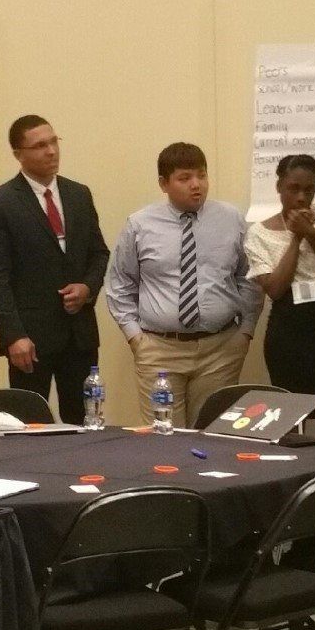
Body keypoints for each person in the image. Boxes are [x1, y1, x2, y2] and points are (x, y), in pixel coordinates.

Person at [106, 143, 262, 426]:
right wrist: (134, 336)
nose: (196, 185)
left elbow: (248, 277)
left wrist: (246, 331)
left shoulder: (231, 219)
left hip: (220, 349)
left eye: (202, 176)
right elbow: (120, 283)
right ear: (164, 184)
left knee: (212, 434)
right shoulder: (140, 225)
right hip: (159, 350)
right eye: (185, 178)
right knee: (164, 439)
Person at [0, 115, 111, 424]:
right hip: (30, 339)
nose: (51, 151)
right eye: (40, 146)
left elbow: (99, 253)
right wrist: (13, 336)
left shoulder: (79, 194)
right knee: (28, 423)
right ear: (18, 154)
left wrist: (88, 287)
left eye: (54, 142)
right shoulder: (0, 203)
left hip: (79, 334)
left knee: (84, 424)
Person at [244, 153, 315, 459]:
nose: (302, 197)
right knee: (292, 425)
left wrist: (312, 234)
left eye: (310, 189)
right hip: (289, 331)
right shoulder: (259, 233)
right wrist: (295, 238)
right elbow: (276, 289)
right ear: (279, 186)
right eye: (294, 188)